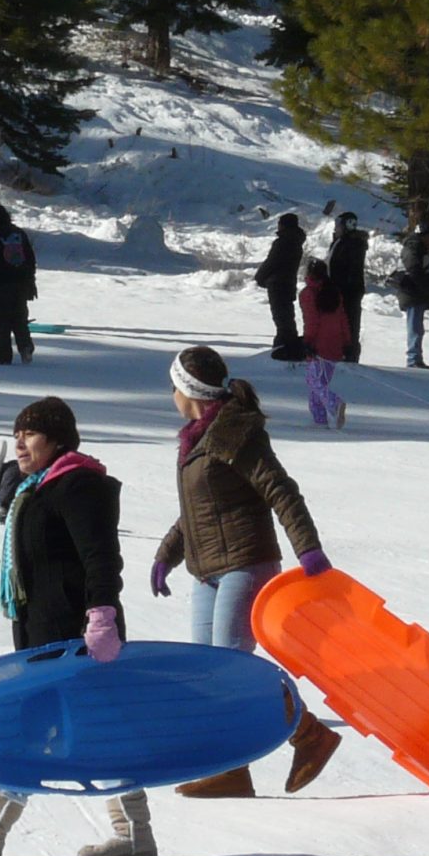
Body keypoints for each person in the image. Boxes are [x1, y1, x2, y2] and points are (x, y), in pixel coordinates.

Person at [0, 397, 152, 856]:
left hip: (78, 638)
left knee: (81, 731)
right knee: (52, 731)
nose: (19, 442)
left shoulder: (78, 487)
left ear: (57, 440)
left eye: (30, 434)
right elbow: (19, 563)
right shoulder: (37, 490)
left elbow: (101, 558)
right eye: (16, 434)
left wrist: (102, 615)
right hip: (42, 638)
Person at [150, 346, 343, 798]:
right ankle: (231, 769)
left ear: (187, 390)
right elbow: (197, 512)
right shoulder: (196, 438)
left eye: (173, 385)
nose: (170, 393)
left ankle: (309, 735)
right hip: (206, 571)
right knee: (207, 672)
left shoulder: (236, 432)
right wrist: (166, 555)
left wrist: (309, 550)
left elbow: (280, 490)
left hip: (245, 563)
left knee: (232, 671)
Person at [0, 202, 38, 366]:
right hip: (21, 283)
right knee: (19, 318)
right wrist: (31, 282)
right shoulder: (19, 233)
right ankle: (25, 346)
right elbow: (30, 259)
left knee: (1, 322)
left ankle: (2, 356)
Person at [298, 256, 349, 427]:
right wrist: (347, 342)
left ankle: (335, 403)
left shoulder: (308, 294)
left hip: (318, 346)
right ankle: (319, 422)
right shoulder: (334, 291)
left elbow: (311, 321)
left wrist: (308, 342)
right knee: (317, 385)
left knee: (314, 381)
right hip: (335, 345)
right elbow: (342, 318)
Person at [255, 214, 306, 358]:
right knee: (286, 318)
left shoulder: (283, 242)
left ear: (283, 225)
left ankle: (285, 350)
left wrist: (260, 277)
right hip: (288, 284)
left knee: (282, 320)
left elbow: (271, 262)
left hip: (277, 284)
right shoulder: (296, 241)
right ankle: (290, 347)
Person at [393, 233, 429, 370]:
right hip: (412, 294)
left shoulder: (419, 250)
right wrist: (425, 289)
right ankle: (413, 359)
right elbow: (414, 272)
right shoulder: (413, 249)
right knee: (415, 328)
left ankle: (416, 358)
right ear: (423, 236)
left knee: (417, 328)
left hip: (416, 294)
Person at [328, 212, 369, 360]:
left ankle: (349, 354)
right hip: (337, 289)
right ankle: (338, 351)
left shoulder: (353, 244)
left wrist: (344, 288)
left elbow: (352, 269)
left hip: (348, 291)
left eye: (338, 225)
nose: (335, 228)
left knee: (349, 324)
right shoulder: (339, 242)